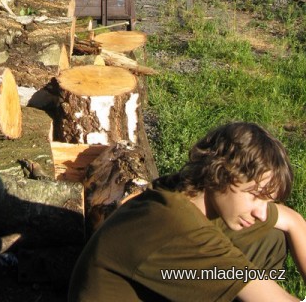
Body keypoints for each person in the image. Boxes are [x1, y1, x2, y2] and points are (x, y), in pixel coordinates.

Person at [68, 121, 306, 301]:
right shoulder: (178, 227)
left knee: (269, 237)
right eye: (255, 196)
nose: (261, 213)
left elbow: (292, 220)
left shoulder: (189, 193)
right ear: (220, 174)